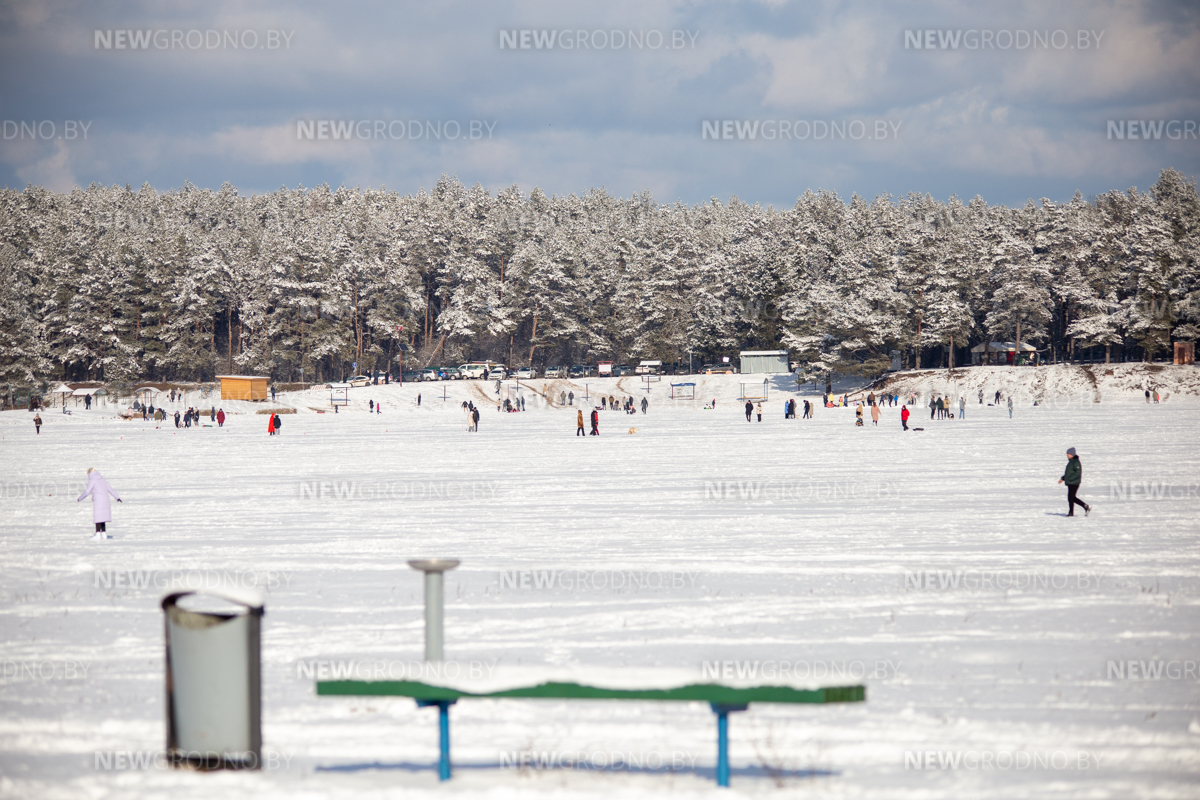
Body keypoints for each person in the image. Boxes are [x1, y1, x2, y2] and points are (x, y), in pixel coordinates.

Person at [77, 468, 121, 540]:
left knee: (98, 516)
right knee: (102, 516)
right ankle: (104, 534)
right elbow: (110, 489)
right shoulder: (102, 480)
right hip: (106, 500)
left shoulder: (92, 480)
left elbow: (87, 491)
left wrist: (80, 498)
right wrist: (117, 497)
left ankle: (98, 534)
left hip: (98, 501)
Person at [1058, 447, 1091, 517]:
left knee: (1071, 497)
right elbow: (1069, 473)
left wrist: (1070, 478)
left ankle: (1083, 507)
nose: (1067, 455)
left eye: (1068, 454)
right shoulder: (1071, 461)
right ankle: (1073, 512)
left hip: (1074, 483)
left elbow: (1078, 473)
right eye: (1067, 453)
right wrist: (1063, 478)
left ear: (1072, 454)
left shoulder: (1076, 462)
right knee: (1071, 498)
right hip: (1071, 482)